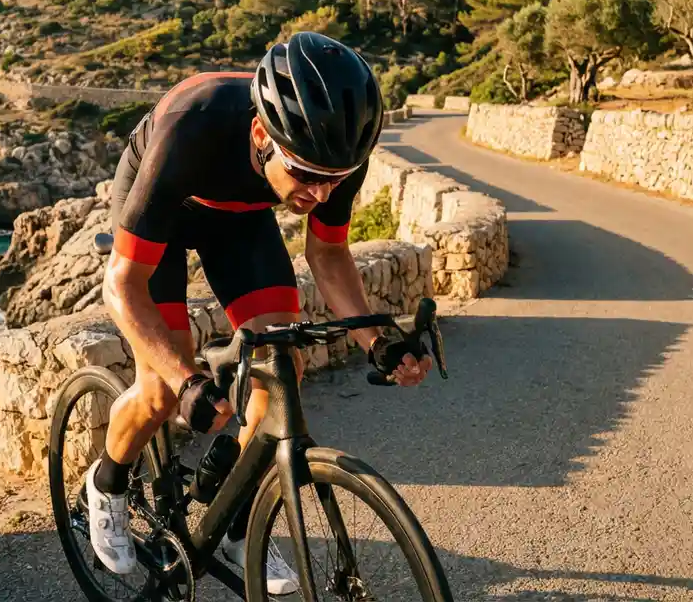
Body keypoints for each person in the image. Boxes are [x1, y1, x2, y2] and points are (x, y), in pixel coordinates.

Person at [89, 31, 434, 593]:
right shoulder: (191, 125)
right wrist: (185, 379)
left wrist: (378, 339)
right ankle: (106, 483)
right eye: (306, 176)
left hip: (241, 220)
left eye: (336, 182)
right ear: (260, 134)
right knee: (158, 390)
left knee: (283, 371)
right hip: (165, 210)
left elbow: (327, 253)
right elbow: (123, 287)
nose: (321, 194)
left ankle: (236, 518)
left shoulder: (336, 155)